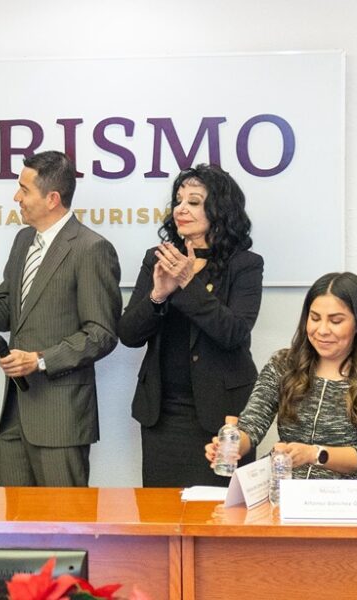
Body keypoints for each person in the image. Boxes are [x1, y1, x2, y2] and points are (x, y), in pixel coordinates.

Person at [0, 150, 122, 487]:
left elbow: (101, 333)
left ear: (52, 199)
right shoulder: (23, 241)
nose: (16, 197)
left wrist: (40, 360)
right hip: (14, 418)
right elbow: (7, 311)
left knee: (65, 517)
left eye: (24, 190)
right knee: (16, 519)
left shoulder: (91, 248)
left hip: (61, 420)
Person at [117, 164, 263, 487]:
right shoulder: (159, 258)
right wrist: (157, 296)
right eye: (178, 200)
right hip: (162, 414)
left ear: (219, 209)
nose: (181, 209)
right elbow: (128, 334)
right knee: (162, 511)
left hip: (222, 417)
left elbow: (233, 332)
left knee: (220, 512)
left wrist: (187, 282)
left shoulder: (245, 264)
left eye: (193, 202)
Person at [205, 272, 357, 479]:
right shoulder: (284, 364)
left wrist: (315, 454)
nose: (322, 330)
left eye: (336, 321)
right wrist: (232, 444)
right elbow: (252, 424)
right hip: (284, 486)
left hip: (347, 492)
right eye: (315, 318)